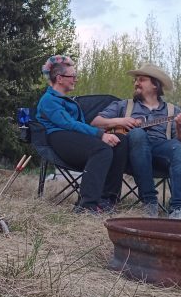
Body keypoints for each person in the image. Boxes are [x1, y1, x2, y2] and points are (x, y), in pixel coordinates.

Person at [91, 63, 181, 220]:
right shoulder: (124, 105)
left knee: (179, 149)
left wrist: (180, 128)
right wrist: (121, 121)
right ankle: (149, 201)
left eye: (142, 79)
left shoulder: (173, 111)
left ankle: (180, 209)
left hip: (160, 149)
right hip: (129, 153)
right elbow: (95, 122)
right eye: (135, 80)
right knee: (137, 134)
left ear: (155, 85)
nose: (136, 83)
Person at [36, 55, 129, 213]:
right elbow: (68, 124)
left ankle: (107, 199)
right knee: (101, 149)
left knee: (120, 141)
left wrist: (106, 133)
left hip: (74, 137)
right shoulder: (49, 100)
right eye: (73, 76)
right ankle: (86, 204)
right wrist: (100, 135)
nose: (76, 79)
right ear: (59, 78)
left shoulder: (66, 100)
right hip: (60, 138)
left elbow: (77, 126)